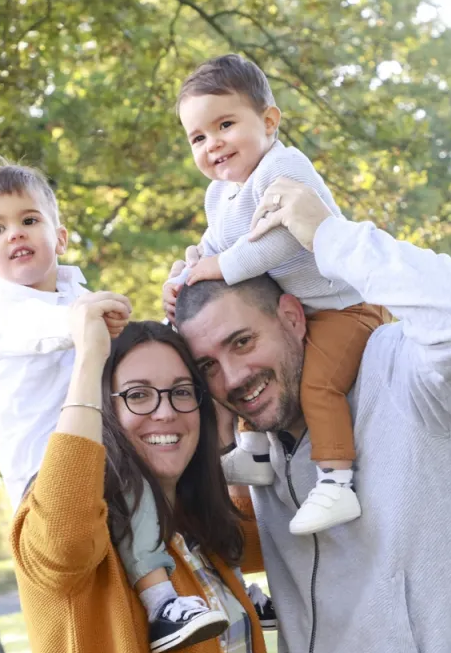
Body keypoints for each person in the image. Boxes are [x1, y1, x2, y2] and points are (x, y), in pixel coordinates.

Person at [170, 177, 451, 653]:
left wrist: (330, 236)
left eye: (242, 341)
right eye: (207, 366)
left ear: (291, 317)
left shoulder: (402, 372)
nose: (233, 377)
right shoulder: (256, 449)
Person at [0, 164, 227, 653]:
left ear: (59, 236)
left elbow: (123, 346)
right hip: (44, 469)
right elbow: (68, 329)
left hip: (93, 444)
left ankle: (230, 591)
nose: (15, 234)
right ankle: (161, 602)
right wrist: (91, 317)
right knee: (135, 489)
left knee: (173, 484)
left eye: (29, 221)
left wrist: (171, 308)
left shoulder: (76, 296)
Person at [164, 54, 389, 536]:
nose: (213, 143)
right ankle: (256, 453)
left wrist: (220, 265)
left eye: (225, 124)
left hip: (341, 305)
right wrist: (183, 277)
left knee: (316, 385)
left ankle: (335, 482)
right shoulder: (220, 194)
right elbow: (213, 246)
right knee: (240, 364)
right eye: (198, 137)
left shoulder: (283, 167)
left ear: (268, 121)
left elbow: (291, 235)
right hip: (296, 309)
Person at [10, 313, 273, 653]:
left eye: (181, 391)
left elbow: (284, 537)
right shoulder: (75, 534)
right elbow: (63, 541)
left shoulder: (196, 531)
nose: (164, 412)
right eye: (137, 395)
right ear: (100, 406)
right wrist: (88, 360)